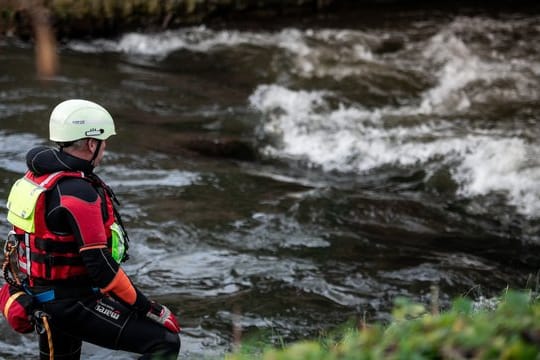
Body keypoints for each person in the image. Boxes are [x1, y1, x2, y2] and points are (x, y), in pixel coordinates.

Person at [4, 99, 181, 359]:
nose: (105, 147)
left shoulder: (36, 177)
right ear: (91, 143)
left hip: (41, 297)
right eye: (104, 141)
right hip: (70, 304)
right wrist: (149, 308)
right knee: (164, 342)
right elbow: (101, 268)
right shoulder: (78, 193)